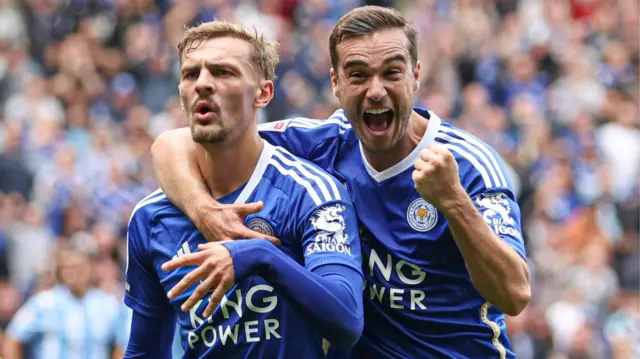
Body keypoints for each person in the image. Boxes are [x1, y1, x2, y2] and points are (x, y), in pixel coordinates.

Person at [151, 6, 531, 359]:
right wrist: (205, 212)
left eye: (392, 73)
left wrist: (454, 201)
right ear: (336, 83)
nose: (376, 90)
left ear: (416, 75)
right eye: (359, 75)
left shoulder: (469, 166)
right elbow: (173, 143)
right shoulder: (322, 143)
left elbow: (514, 294)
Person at [123, 21, 364, 359]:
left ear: (263, 94)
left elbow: (347, 319)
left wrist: (259, 256)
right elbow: (145, 349)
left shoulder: (310, 193)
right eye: (191, 75)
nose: (203, 84)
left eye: (223, 72)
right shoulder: (151, 217)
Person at [4, 244, 129, 359]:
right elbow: (12, 339)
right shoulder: (43, 303)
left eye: (78, 267)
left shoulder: (108, 305)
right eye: (66, 269)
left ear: (90, 268)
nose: (73, 274)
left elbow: (121, 346)